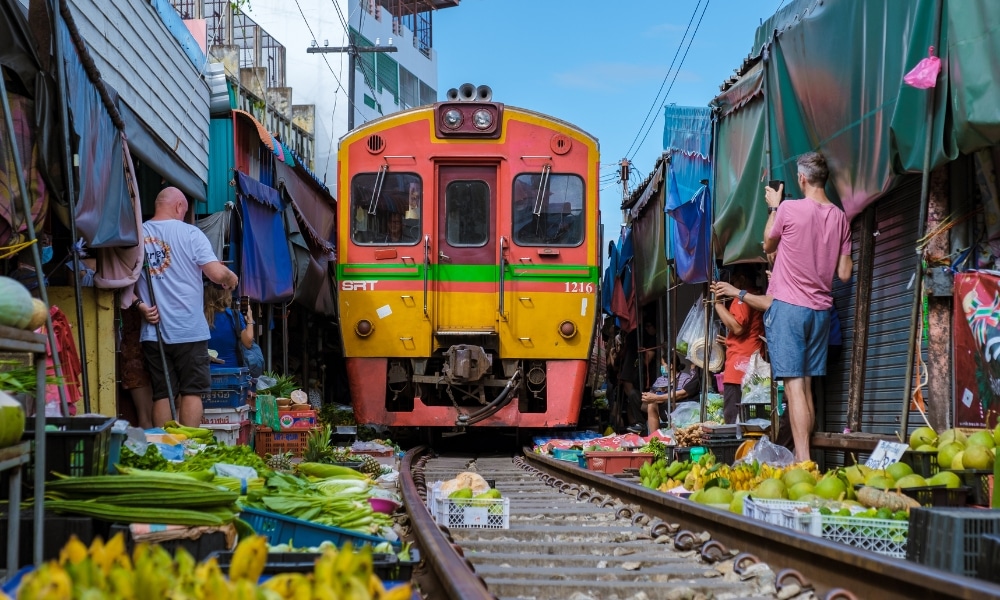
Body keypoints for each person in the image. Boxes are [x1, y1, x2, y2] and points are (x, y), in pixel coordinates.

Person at [762, 152, 852, 461]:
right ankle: (808, 460)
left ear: (802, 178)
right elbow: (844, 273)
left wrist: (774, 206)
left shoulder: (788, 208)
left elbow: (767, 244)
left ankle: (802, 461)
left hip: (789, 307)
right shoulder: (840, 217)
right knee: (808, 386)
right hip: (821, 311)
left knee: (794, 386)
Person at [135, 187, 238, 428]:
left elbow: (124, 278)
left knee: (163, 393)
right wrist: (231, 277)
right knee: (192, 391)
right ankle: (188, 450)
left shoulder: (138, 234)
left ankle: (165, 449)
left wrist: (140, 305)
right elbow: (216, 274)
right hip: (188, 329)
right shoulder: (191, 234)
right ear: (180, 206)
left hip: (154, 331)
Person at [710, 265, 765, 424]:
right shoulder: (756, 295)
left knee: (733, 420)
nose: (731, 283)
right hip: (751, 367)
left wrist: (718, 305)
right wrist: (728, 341)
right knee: (753, 420)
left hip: (738, 370)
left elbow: (737, 327)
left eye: (733, 280)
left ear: (741, 279)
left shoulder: (742, 298)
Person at [633, 354, 701, 435]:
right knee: (650, 404)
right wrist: (650, 398)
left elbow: (683, 395)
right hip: (661, 409)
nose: (661, 367)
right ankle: (653, 437)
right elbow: (649, 399)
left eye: (662, 364)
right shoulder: (660, 380)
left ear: (671, 365)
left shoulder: (685, 378)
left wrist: (658, 398)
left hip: (678, 408)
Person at [204, 284, 254, 369]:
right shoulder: (234, 316)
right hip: (232, 373)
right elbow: (248, 343)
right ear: (225, 294)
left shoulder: (200, 316)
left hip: (206, 372)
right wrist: (249, 320)